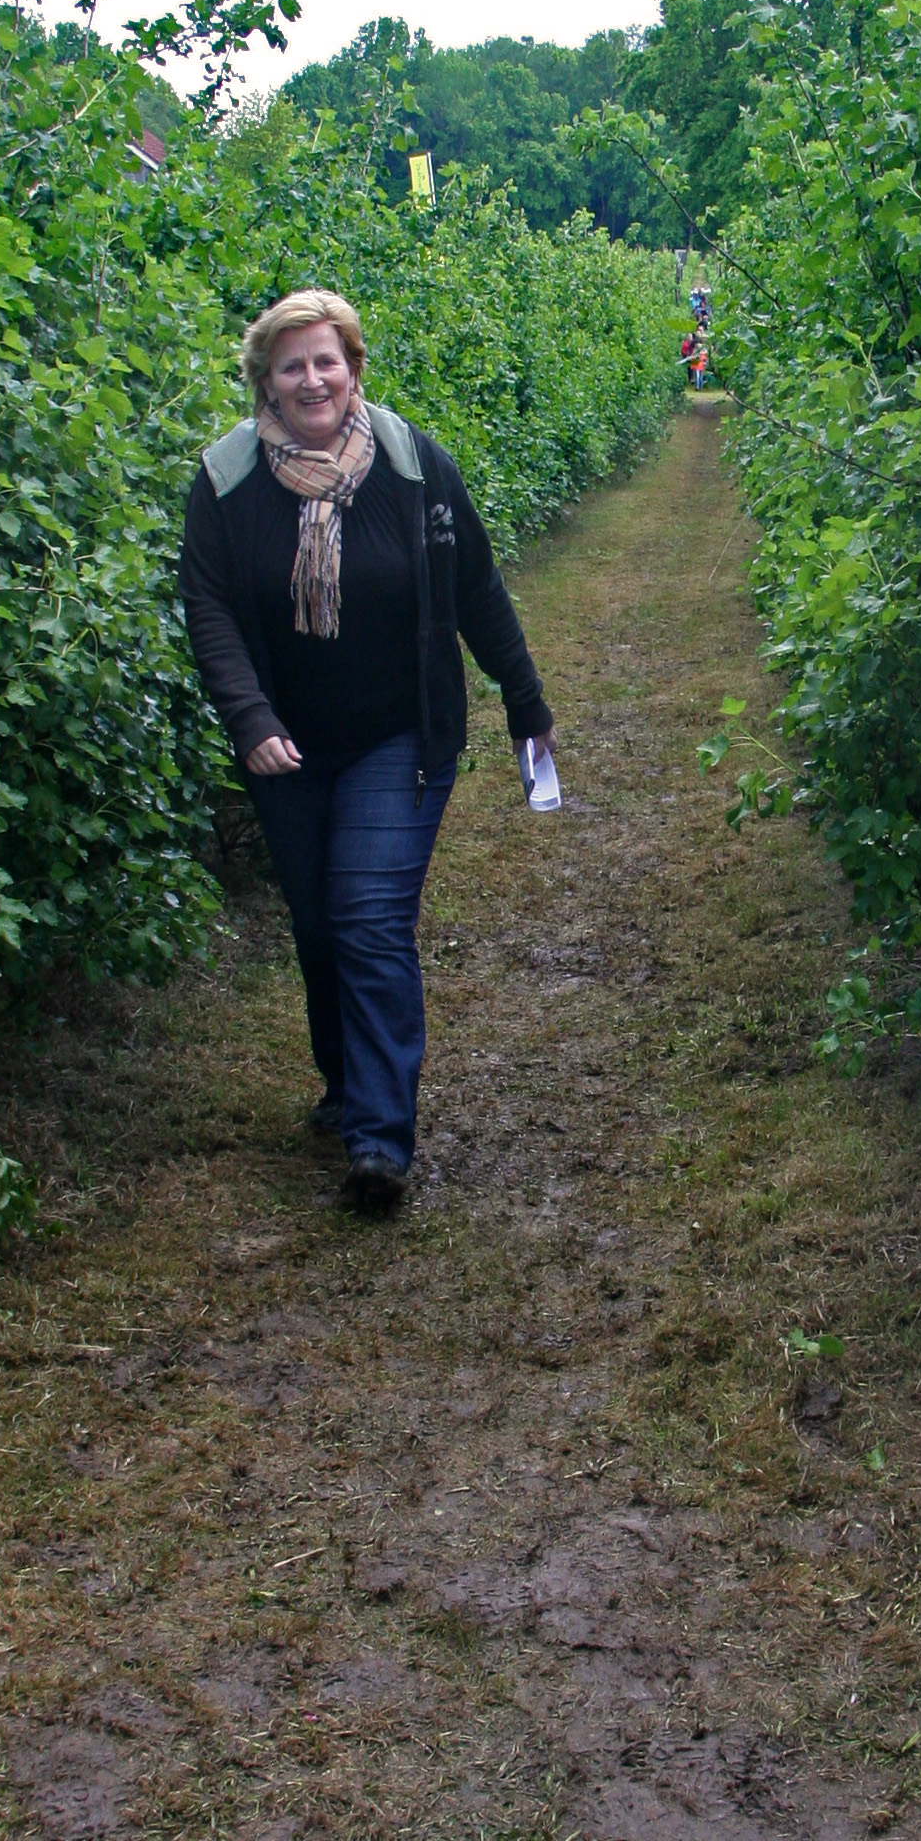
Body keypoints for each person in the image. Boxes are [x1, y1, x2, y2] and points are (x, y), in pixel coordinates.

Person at [178, 288, 555, 1213]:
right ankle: (346, 1084)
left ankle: (380, 1141)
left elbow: (476, 588)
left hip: (401, 735)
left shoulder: (412, 466)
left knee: (368, 920)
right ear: (265, 380)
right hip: (288, 749)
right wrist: (249, 718)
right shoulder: (227, 481)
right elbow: (210, 607)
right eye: (292, 365)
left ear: (352, 368)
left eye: (327, 360)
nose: (312, 379)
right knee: (319, 926)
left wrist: (525, 700)